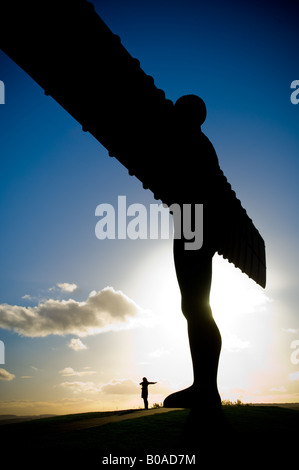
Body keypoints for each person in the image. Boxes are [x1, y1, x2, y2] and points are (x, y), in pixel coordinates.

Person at [163, 95, 227, 415]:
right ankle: (204, 386)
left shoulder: (193, 142)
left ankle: (205, 388)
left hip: (194, 226)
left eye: (180, 108)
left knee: (197, 306)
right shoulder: (199, 143)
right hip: (194, 226)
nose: (174, 111)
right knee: (194, 307)